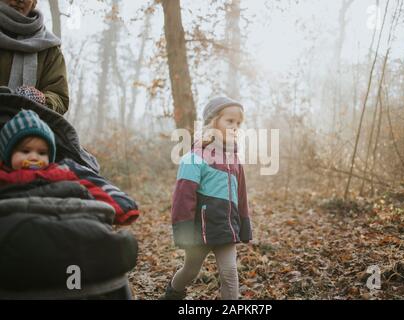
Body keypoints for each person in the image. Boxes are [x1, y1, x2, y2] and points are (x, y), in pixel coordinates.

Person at [161, 96, 253, 300]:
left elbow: (241, 196)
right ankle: (172, 294)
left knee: (230, 273)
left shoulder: (235, 159)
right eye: (229, 121)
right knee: (190, 271)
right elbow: (182, 198)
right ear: (213, 122)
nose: (235, 127)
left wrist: (244, 224)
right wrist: (183, 231)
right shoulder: (194, 157)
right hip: (199, 230)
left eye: (238, 123)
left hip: (225, 228)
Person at [0, 109, 140, 225]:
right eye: (25, 151)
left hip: (56, 225)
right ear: (8, 155)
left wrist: (121, 209)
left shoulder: (61, 172)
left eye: (42, 153)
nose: (34, 157)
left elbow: (94, 186)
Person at [0, 0, 69, 114]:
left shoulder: (49, 49)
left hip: (27, 129)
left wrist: (40, 100)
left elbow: (59, 97)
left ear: (34, 2)